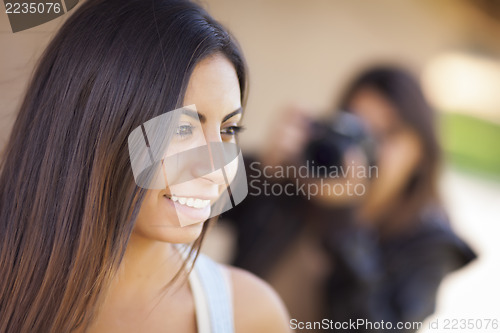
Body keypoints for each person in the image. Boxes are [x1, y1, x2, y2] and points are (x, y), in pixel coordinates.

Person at [0, 1, 290, 332]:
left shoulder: (251, 315)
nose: (216, 169)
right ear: (93, 126)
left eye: (228, 131)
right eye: (182, 129)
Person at [222, 66, 476, 332]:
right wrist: (259, 172)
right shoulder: (297, 187)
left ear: (420, 156)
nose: (366, 147)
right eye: (355, 126)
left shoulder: (428, 246)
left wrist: (343, 225)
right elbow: (189, 212)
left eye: (386, 133)